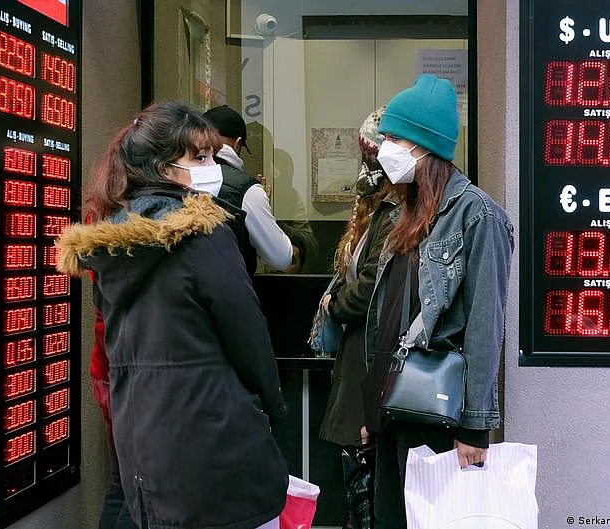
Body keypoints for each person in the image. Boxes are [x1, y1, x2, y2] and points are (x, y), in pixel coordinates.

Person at [56, 100, 289, 529]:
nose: (211, 167)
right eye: (199, 157)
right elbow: (248, 334)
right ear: (164, 167)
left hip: (143, 443)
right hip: (215, 442)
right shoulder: (205, 234)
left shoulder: (109, 243)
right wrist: (271, 407)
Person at [361, 75, 515, 527]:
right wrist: (374, 408)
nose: (384, 147)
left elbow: (487, 325)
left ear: (423, 146)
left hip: (440, 415)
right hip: (396, 410)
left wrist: (474, 425)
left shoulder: (479, 216)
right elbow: (388, 320)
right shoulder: (403, 215)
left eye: (393, 138)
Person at [316, 107, 396, 526]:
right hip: (359, 361)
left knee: (364, 493)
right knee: (359, 491)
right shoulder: (379, 208)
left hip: (367, 362)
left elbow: (367, 289)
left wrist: (336, 304)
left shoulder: (389, 215)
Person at [203, 104, 295, 273]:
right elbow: (280, 258)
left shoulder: (178, 176)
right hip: (226, 293)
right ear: (237, 144)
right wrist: (260, 203)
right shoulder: (247, 190)